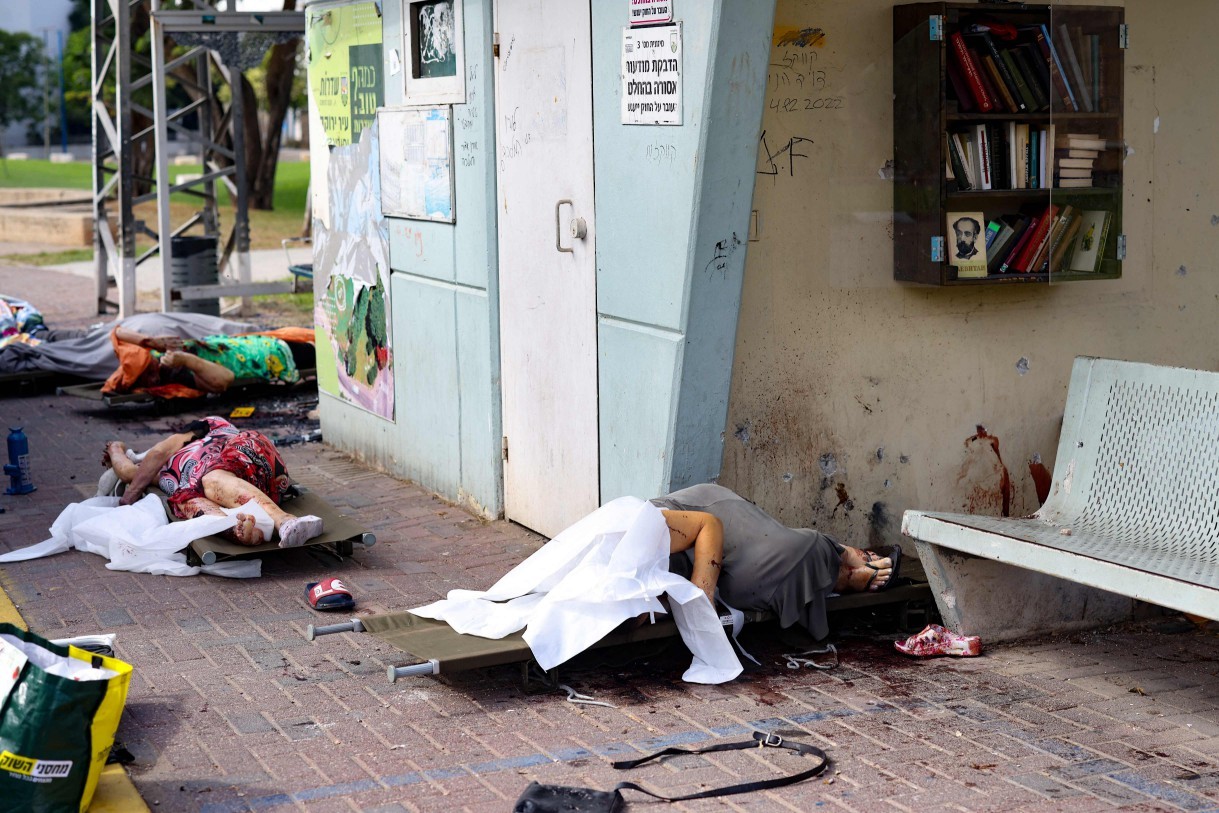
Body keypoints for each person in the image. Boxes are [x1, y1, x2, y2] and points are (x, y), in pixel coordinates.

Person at [650, 483, 900, 641]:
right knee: (759, 581)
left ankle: (841, 558)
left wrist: (702, 600)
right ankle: (836, 569)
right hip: (701, 568)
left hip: (701, 519)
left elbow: (708, 525)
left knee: (780, 551)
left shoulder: (638, 531)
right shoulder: (623, 608)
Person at [101, 416, 323, 548]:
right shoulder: (165, 476)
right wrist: (114, 448)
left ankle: (286, 522)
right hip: (226, 494)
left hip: (249, 457)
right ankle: (241, 530)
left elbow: (158, 452)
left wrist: (127, 500)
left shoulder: (208, 428)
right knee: (185, 502)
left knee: (212, 478)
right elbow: (127, 471)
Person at [103, 326, 316, 396]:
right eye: (148, 375)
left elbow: (116, 332)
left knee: (313, 339)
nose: (155, 368)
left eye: (150, 364)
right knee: (320, 352)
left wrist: (148, 341)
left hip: (251, 344)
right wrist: (187, 360)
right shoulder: (179, 374)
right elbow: (224, 379)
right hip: (270, 356)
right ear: (145, 383)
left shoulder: (157, 354)